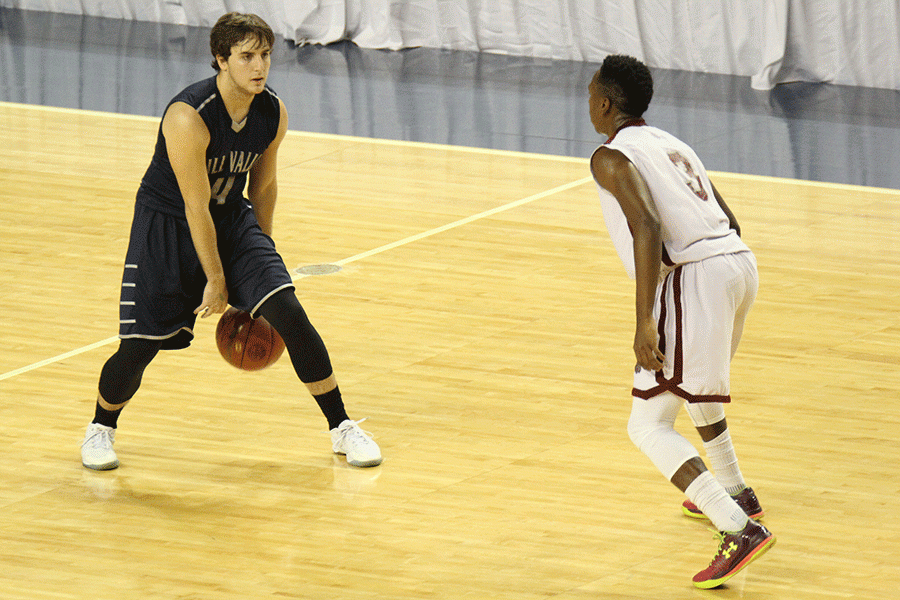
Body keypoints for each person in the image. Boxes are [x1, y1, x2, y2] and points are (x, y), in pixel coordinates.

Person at [80, 12, 382, 471]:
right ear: (221, 60)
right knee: (141, 345)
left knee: (288, 312)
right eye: (246, 56)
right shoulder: (188, 117)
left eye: (264, 55)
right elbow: (194, 208)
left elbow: (262, 188)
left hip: (232, 219)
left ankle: (341, 427)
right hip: (168, 225)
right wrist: (218, 282)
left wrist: (261, 264)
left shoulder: (272, 112)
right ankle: (100, 429)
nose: (259, 66)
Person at [587, 55, 774, 588]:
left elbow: (645, 226)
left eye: (591, 95)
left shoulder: (609, 157)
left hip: (698, 278)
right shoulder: (673, 143)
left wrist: (644, 319)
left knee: (647, 424)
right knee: (695, 389)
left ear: (605, 102)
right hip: (738, 263)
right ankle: (737, 491)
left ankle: (737, 527)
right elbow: (729, 217)